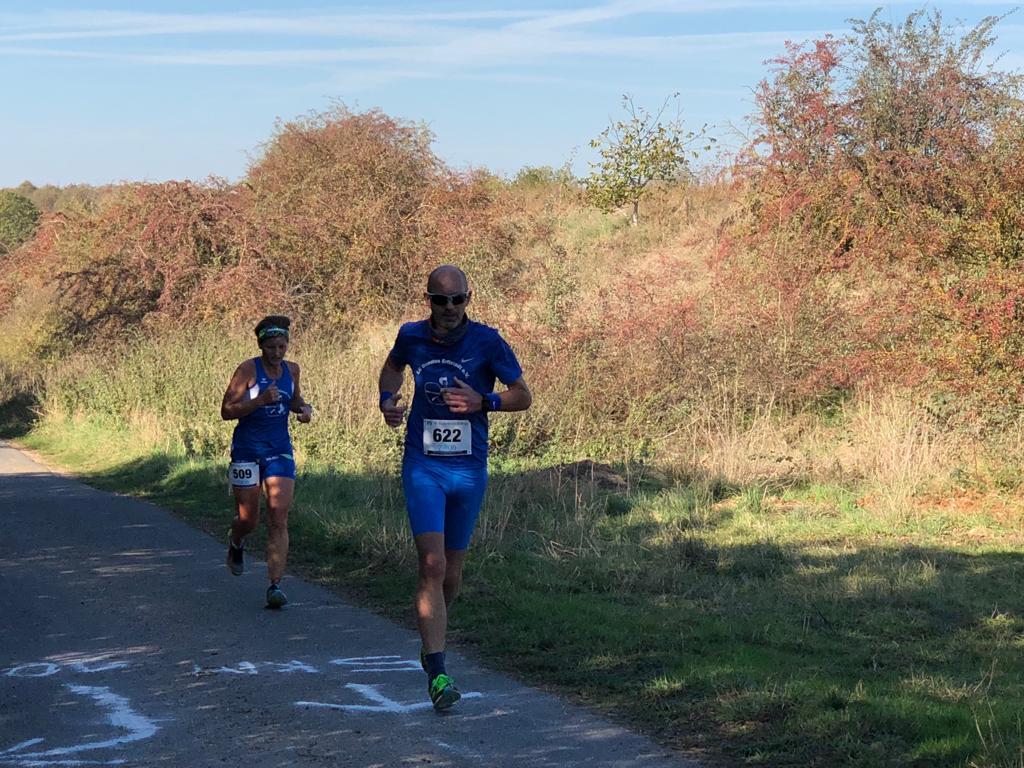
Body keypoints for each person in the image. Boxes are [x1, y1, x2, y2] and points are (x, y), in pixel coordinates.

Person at [379, 265, 532, 710]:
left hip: (468, 471)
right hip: (423, 466)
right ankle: (438, 670)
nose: (449, 308)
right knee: (431, 564)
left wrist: (485, 401)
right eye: (440, 300)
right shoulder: (411, 336)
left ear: (469, 298)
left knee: (450, 574)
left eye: (457, 299)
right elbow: (392, 369)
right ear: (427, 300)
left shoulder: (487, 341)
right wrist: (387, 401)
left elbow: (523, 394)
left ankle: (432, 640)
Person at [220, 315, 313, 609]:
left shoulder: (292, 370)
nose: (277, 353)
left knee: (278, 515)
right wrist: (258, 401)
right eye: (271, 347)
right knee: (249, 519)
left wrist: (304, 410)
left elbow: (294, 401)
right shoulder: (248, 370)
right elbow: (226, 410)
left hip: (279, 449)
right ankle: (236, 540)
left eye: (282, 346)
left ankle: (275, 585)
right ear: (261, 346)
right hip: (247, 450)